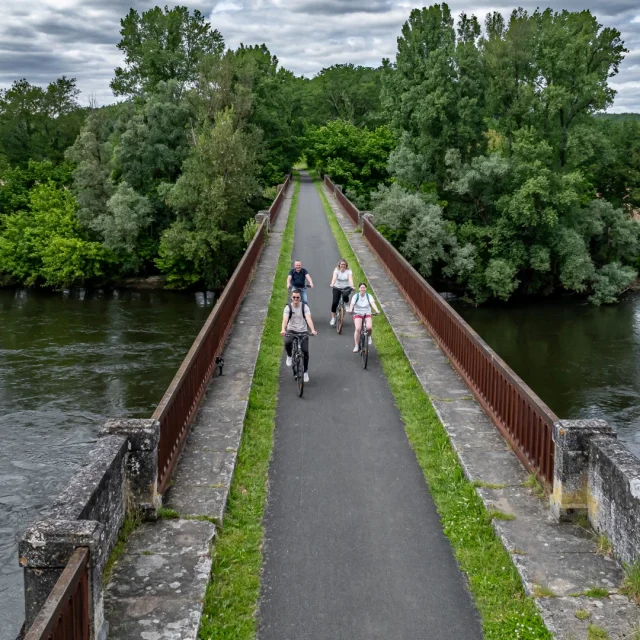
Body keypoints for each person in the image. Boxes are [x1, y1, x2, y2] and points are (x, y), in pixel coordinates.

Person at [281, 288, 318, 382]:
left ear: (300, 298)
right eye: (294, 297)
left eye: (297, 297)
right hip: (291, 330)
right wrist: (283, 329)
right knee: (287, 342)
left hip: (303, 331)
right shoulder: (288, 308)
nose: (296, 299)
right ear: (291, 297)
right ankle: (289, 356)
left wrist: (313, 330)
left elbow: (308, 318)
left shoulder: (304, 307)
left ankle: (305, 372)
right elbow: (285, 320)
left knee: (305, 351)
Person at [348, 282, 380, 353]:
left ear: (366, 289)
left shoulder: (369, 296)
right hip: (358, 314)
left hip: (367, 314)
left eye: (364, 288)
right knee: (358, 328)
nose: (362, 289)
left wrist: (376, 310)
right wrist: (350, 309)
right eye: (361, 287)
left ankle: (368, 336)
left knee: (369, 327)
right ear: (359, 289)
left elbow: (372, 304)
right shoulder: (356, 296)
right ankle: (356, 345)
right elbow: (352, 304)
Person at [329, 259, 354, 326]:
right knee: (334, 302)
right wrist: (332, 284)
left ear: (346, 265)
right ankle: (333, 318)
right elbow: (334, 278)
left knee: (345, 295)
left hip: (346, 287)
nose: (343, 266)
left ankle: (346, 304)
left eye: (344, 264)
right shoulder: (336, 271)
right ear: (339, 265)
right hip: (337, 287)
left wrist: (352, 286)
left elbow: (350, 279)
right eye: (341, 264)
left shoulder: (349, 271)